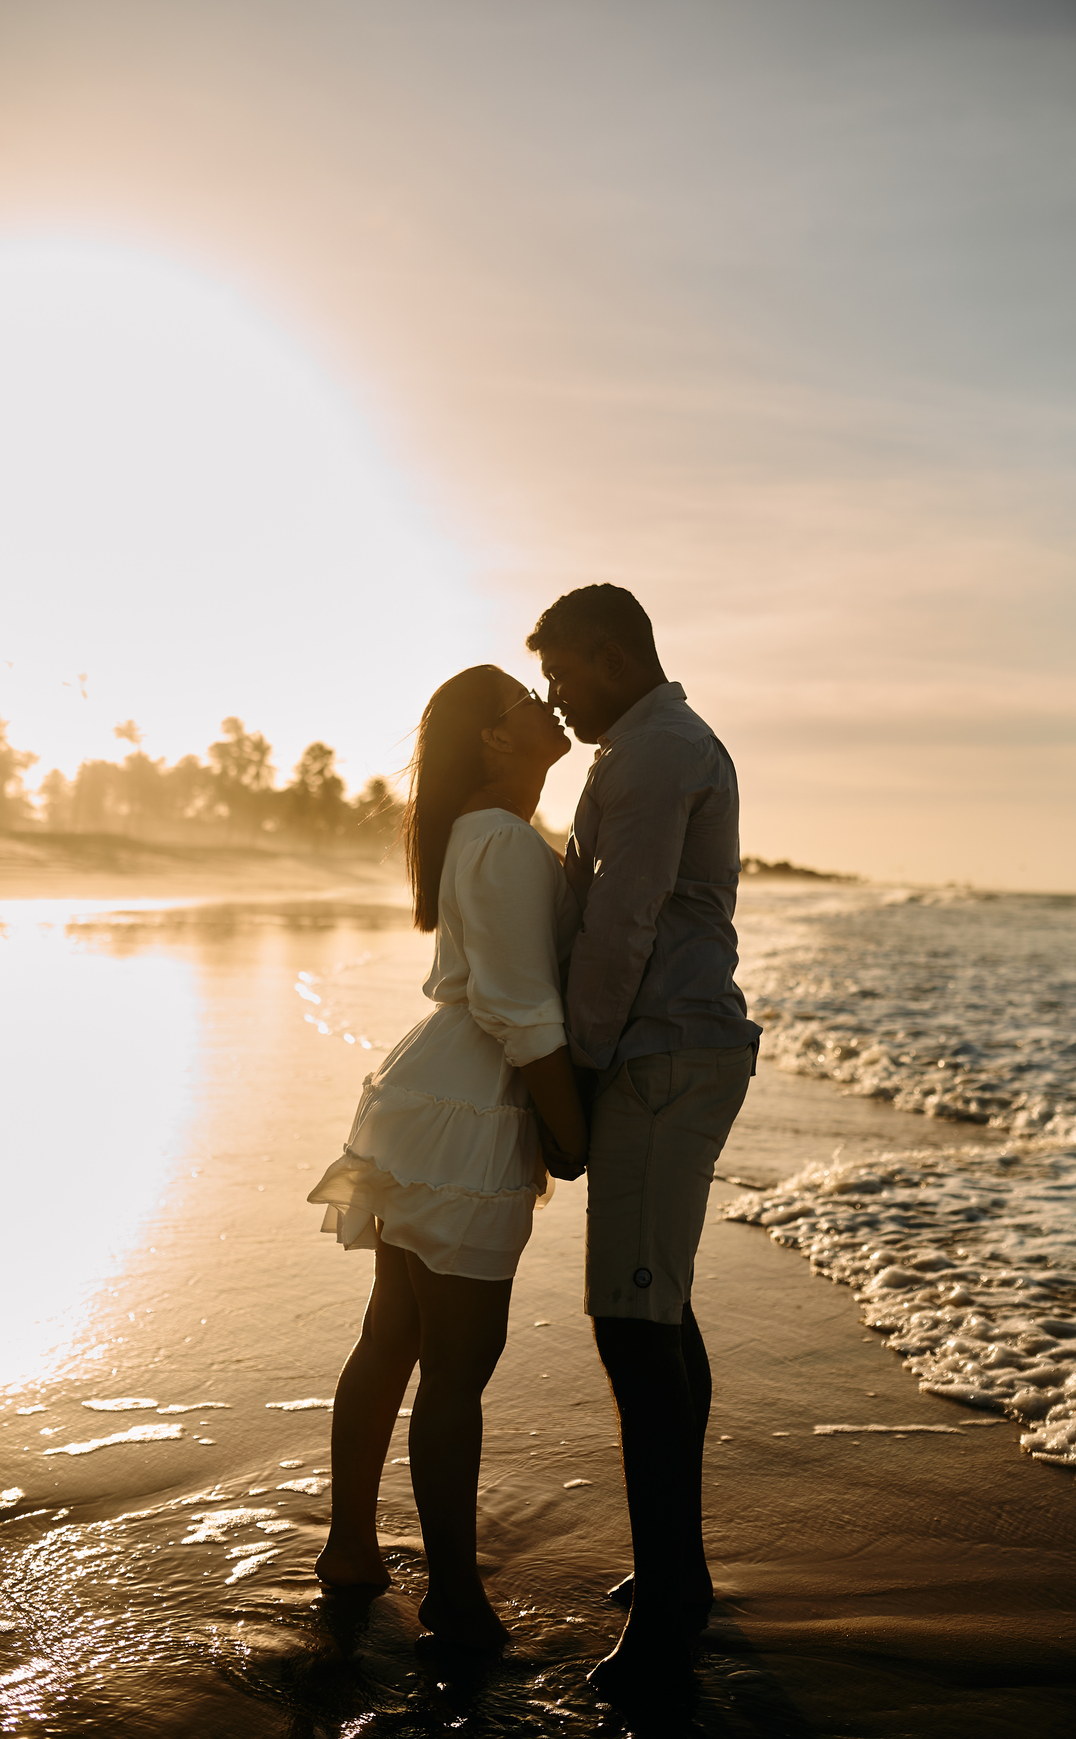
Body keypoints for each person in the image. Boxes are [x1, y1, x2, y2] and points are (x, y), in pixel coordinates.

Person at [306, 664, 588, 1648]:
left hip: (432, 1090)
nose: (544, 708)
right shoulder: (504, 842)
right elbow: (521, 1009)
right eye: (521, 703)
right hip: (472, 1106)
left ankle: (351, 1545)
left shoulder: (486, 832)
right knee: (456, 1367)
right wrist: (571, 1132)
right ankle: (455, 1595)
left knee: (394, 1332)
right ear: (494, 740)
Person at [526, 584, 760, 1696]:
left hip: (661, 1054)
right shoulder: (642, 745)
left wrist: (575, 1060)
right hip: (664, 1047)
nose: (553, 696)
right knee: (657, 1305)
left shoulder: (659, 751)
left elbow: (625, 920)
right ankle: (681, 1575)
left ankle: (671, 1611)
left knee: (630, 1325)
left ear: (615, 657)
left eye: (564, 673)